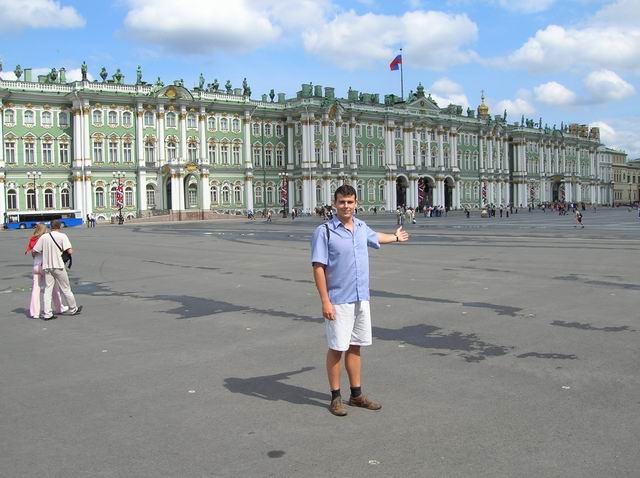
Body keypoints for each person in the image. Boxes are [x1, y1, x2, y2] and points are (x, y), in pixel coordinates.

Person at [311, 185, 409, 417]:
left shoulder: (361, 227)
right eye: (342, 202)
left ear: (356, 203)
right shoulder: (324, 231)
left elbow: (376, 237)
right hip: (338, 300)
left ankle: (356, 395)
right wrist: (325, 301)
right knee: (337, 348)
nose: (346, 206)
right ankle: (335, 397)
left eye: (350, 202)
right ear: (335, 204)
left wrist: (396, 237)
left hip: (360, 298)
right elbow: (318, 267)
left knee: (355, 346)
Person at [32, 220, 82, 320]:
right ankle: (73, 308)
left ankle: (47, 313)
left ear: (50, 227)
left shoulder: (44, 237)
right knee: (66, 288)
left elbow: (34, 250)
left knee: (48, 290)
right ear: (60, 226)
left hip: (47, 267)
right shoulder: (62, 236)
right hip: (58, 266)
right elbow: (70, 251)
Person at [26, 223, 68, 319]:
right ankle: (59, 308)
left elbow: (33, 253)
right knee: (53, 287)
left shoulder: (33, 239)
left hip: (36, 266)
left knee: (35, 289)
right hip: (44, 266)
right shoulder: (45, 238)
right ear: (44, 230)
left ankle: (35, 312)